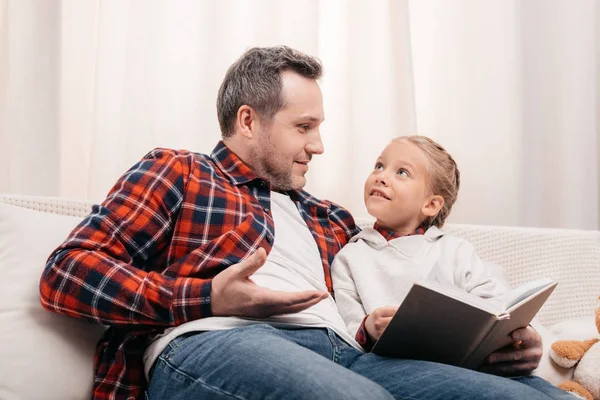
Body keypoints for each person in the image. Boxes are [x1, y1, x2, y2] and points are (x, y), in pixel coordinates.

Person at [39, 46, 574, 400]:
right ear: (248, 120)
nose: (318, 145)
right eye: (303, 127)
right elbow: (66, 274)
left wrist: (501, 343)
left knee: (537, 395)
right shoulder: (179, 171)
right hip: (215, 342)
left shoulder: (329, 218)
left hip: (349, 355)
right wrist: (205, 299)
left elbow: (378, 296)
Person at [332, 136, 531, 365]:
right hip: (394, 366)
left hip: (468, 364)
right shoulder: (350, 256)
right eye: (379, 166)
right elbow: (345, 329)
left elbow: (496, 307)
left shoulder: (456, 251)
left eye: (402, 172)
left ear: (431, 205)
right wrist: (368, 328)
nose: (381, 177)